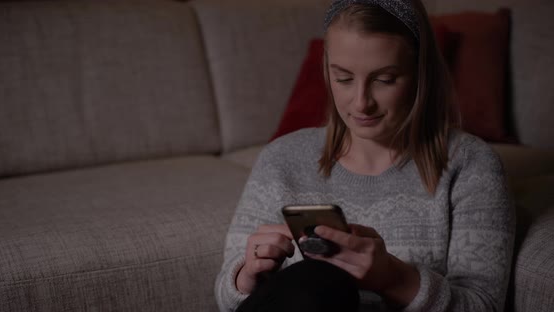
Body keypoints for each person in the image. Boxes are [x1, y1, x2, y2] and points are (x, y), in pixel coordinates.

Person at [215, 0, 515, 311]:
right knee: (313, 281)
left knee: (323, 282)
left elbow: (484, 305)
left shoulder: (471, 166)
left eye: (385, 80)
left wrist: (394, 279)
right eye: (343, 78)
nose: (361, 103)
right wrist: (247, 275)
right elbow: (227, 298)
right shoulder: (281, 158)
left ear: (420, 73)